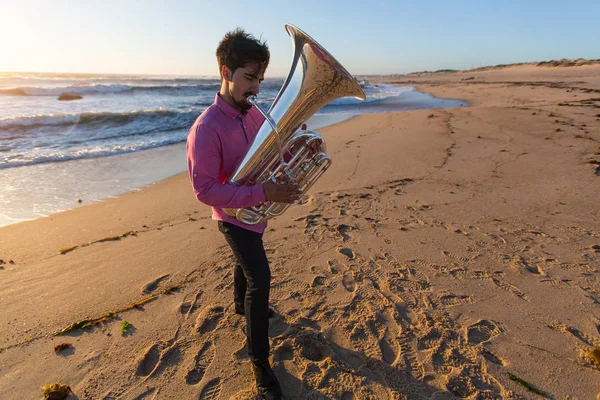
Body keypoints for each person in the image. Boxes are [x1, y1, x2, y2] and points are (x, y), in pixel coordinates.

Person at [186, 28, 301, 400]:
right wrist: (263, 192)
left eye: (260, 79)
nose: (256, 88)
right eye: (249, 78)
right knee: (260, 281)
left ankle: (238, 305)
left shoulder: (253, 115)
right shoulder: (205, 128)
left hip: (255, 211)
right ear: (225, 71)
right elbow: (204, 190)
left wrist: (291, 150)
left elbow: (269, 153)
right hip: (232, 217)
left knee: (246, 266)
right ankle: (260, 365)